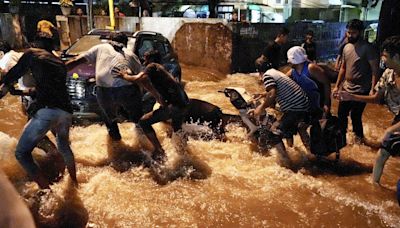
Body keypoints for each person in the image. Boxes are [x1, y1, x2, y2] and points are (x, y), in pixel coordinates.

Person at [0, 36, 77, 189]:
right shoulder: (58, 62)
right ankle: (74, 183)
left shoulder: (32, 53)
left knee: (21, 153)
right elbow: (46, 89)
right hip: (66, 113)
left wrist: (5, 84)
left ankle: (46, 190)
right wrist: (21, 93)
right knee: (64, 146)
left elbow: (14, 73)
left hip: (47, 112)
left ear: (36, 44)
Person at [337, 36, 400, 185]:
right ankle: (375, 188)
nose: (382, 60)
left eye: (385, 56)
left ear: (396, 57)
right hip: (398, 118)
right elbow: (376, 98)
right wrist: (351, 96)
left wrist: (391, 130)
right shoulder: (388, 74)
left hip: (397, 123)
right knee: (383, 153)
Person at [66, 32, 143, 141]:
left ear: (110, 40)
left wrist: (58, 70)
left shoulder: (100, 47)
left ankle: (116, 145)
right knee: (138, 118)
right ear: (125, 43)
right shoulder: (131, 55)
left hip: (104, 91)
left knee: (110, 120)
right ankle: (142, 143)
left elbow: (76, 61)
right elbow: (141, 76)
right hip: (127, 89)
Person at [117, 50, 190, 163]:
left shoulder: (152, 66)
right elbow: (146, 83)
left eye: (145, 58)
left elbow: (140, 79)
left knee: (144, 122)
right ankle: (184, 156)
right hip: (183, 104)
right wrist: (158, 96)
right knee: (177, 130)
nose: (143, 61)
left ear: (151, 59)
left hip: (173, 105)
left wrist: (124, 76)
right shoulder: (161, 69)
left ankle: (159, 150)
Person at [248, 63, 310, 165]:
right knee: (288, 128)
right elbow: (276, 90)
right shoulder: (275, 72)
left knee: (273, 132)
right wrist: (263, 94)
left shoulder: (267, 76)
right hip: (303, 106)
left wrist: (260, 108)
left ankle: (286, 162)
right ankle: (309, 155)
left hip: (296, 109)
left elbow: (272, 94)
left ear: (259, 73)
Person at [333, 19, 379, 145]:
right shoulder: (346, 47)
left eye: (353, 33)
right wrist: (337, 86)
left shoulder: (368, 49)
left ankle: (360, 142)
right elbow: (343, 68)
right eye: (348, 32)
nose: (349, 35)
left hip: (362, 89)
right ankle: (342, 141)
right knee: (341, 115)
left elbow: (375, 70)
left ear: (360, 32)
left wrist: (373, 88)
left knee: (355, 116)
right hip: (347, 88)